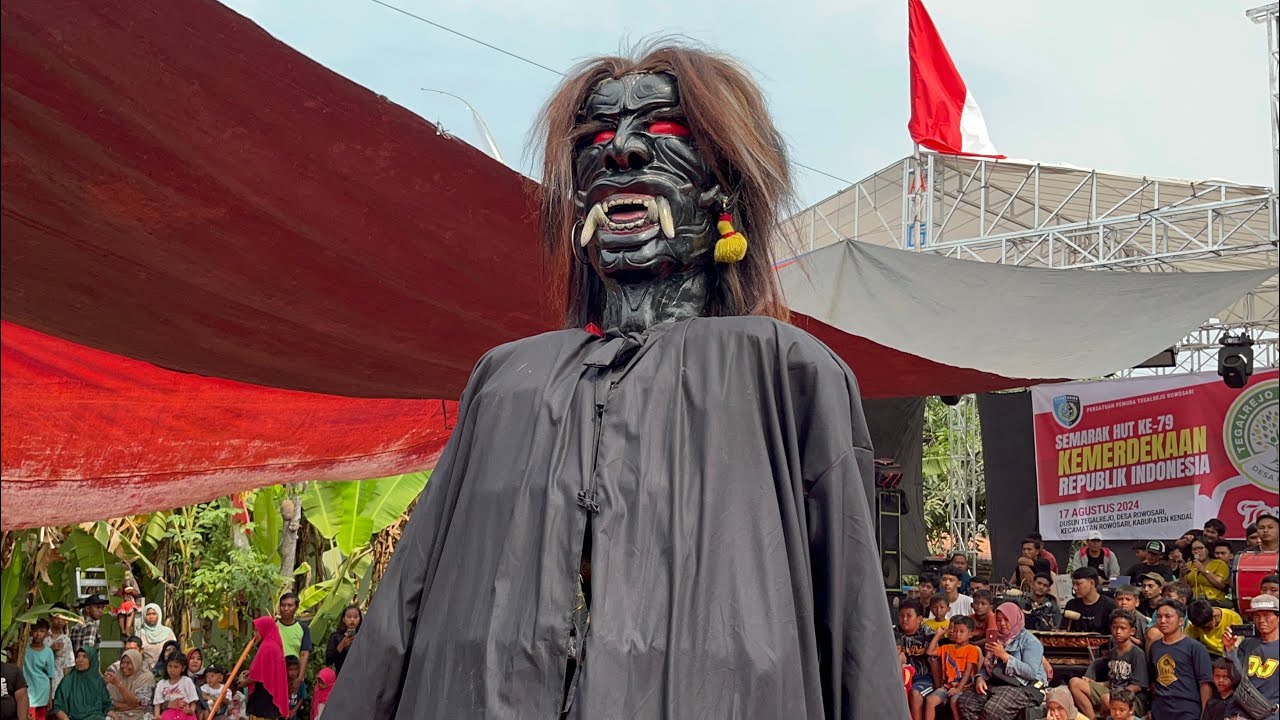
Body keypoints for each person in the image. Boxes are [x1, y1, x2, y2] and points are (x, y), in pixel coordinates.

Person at [323, 42, 906, 719]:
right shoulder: (507, 379)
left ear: (725, 188)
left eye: (662, 132)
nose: (620, 153)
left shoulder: (784, 372)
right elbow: (407, 597)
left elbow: (853, 612)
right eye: (596, 137)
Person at [955, 603, 1046, 720]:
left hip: (1025, 686)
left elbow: (1031, 673)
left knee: (993, 710)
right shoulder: (997, 638)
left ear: (1015, 618)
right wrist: (980, 678)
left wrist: (1004, 656)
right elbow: (986, 667)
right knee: (965, 702)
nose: (1002, 624)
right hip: (998, 682)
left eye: (1006, 619)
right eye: (998, 620)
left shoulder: (1030, 642)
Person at [1068, 609, 1147, 720]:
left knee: (1106, 698)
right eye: (1115, 628)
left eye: (1123, 628)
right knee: (1075, 682)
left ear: (1132, 631)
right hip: (1113, 691)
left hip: (1131, 699)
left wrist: (1115, 697)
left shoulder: (1137, 653)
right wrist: (1095, 683)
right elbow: (1112, 681)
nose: (1118, 631)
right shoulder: (1113, 652)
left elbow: (1137, 686)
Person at [1148, 599, 1212, 720]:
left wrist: (1205, 715)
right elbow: (1153, 680)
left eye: (1168, 616)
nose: (1162, 621)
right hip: (1160, 709)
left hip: (1187, 710)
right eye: (1159, 616)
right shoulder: (1154, 646)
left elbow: (1205, 684)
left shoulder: (1196, 648)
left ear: (1181, 621)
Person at [1223, 592, 1279, 720]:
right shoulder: (1248, 644)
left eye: (1267, 615)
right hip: (1241, 711)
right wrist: (1230, 649)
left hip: (1271, 713)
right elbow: (1236, 678)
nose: (1261, 620)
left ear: (1278, 617)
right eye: (1257, 616)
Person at [924, 615, 979, 720]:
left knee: (954, 701)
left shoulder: (971, 649)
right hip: (947, 686)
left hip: (965, 686)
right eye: (955, 631)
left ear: (970, 634)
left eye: (962, 631)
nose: (958, 634)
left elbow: (968, 671)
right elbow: (930, 652)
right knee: (930, 700)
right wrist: (938, 635)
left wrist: (958, 689)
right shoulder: (947, 648)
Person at [895, 598, 936, 720]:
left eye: (909, 616)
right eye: (901, 616)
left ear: (919, 619)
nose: (904, 619)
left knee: (914, 693)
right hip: (900, 677)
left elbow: (934, 660)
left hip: (924, 677)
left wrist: (939, 685)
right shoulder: (893, 633)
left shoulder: (928, 634)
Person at [242, 617, 289, 720]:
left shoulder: (267, 646)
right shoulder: (273, 644)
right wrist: (250, 672)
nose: (255, 634)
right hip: (268, 700)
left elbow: (258, 675)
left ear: (265, 628)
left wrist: (244, 682)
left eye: (257, 630)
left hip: (264, 700)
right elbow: (265, 670)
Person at [51, 647, 112, 720]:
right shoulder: (68, 680)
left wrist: (112, 714)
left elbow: (106, 704)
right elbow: (58, 706)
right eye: (78, 656)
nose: (80, 660)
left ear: (92, 660)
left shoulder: (98, 680)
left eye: (84, 657)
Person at [1062, 567, 1117, 635]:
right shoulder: (1071, 605)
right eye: (1073, 584)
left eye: (1078, 584)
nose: (1074, 588)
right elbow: (1064, 629)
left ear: (1092, 583)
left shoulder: (1110, 605)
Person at [104, 648, 153, 720]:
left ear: (136, 663)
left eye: (128, 663)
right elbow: (109, 703)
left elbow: (141, 703)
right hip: (117, 715)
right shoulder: (117, 675)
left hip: (140, 715)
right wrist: (132, 706)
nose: (124, 666)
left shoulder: (146, 677)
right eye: (122, 662)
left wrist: (119, 684)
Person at [25, 618, 58, 720]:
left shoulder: (48, 652)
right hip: (27, 693)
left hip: (43, 691)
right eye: (35, 631)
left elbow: (50, 675)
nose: (38, 634)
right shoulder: (23, 650)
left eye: (42, 631)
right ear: (30, 632)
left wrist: (49, 698)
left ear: (46, 633)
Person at [152, 654, 198, 720]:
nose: (172, 670)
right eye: (170, 666)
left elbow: (193, 701)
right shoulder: (161, 684)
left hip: (185, 714)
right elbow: (157, 703)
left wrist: (191, 711)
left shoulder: (187, 681)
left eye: (176, 667)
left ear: (183, 668)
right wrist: (157, 715)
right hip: (168, 714)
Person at [275, 594, 312, 673]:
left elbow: (304, 654)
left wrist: (299, 678)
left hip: (293, 674)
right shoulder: (273, 626)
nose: (286, 609)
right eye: (283, 605)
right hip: (274, 672)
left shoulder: (303, 628)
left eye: (290, 605)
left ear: (296, 607)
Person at [137, 603, 177, 670]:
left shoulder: (168, 632)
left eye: (154, 614)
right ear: (144, 616)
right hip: (145, 670)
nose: (151, 617)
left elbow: (175, 651)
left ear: (159, 615)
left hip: (167, 669)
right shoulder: (140, 633)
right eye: (148, 614)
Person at [324, 605, 361, 675]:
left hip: (360, 676)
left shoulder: (364, 636)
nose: (352, 620)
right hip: (340, 676)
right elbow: (329, 661)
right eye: (349, 616)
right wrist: (342, 645)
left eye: (356, 617)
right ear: (343, 619)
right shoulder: (335, 637)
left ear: (360, 619)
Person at [46, 610, 75, 697]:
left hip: (59, 684)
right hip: (42, 684)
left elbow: (67, 667)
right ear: (50, 618)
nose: (60, 621)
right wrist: (51, 650)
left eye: (63, 618)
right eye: (57, 617)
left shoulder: (66, 640)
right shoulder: (42, 636)